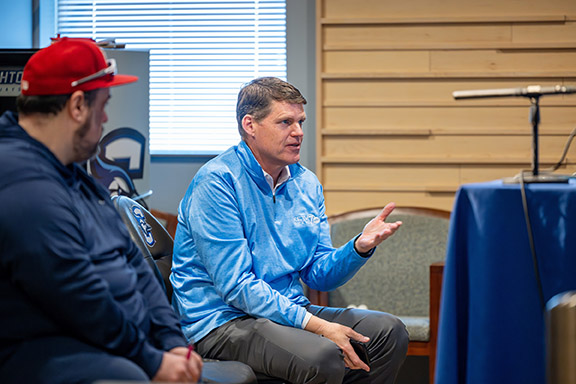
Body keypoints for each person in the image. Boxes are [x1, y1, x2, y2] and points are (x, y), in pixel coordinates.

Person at [0, 37, 255, 384]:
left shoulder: (73, 174)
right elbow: (76, 294)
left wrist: (171, 341)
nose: (105, 119)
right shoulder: (22, 182)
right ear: (77, 106)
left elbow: (133, 260)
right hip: (49, 352)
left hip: (117, 345)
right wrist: (151, 360)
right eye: (103, 105)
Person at [171, 77, 410, 383]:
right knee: (322, 356)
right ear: (250, 125)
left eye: (300, 122)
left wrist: (358, 248)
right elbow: (237, 287)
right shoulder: (217, 183)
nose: (298, 132)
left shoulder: (306, 183)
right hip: (222, 322)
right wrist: (318, 326)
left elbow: (318, 273)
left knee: (388, 333)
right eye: (285, 122)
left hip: (285, 312)